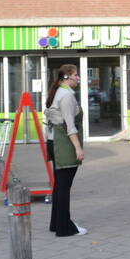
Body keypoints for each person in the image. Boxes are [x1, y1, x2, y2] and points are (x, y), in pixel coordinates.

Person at [44, 64, 87, 237]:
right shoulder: (66, 96)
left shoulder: (58, 92)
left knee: (59, 186)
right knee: (63, 187)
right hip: (63, 144)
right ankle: (64, 228)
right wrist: (78, 148)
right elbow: (70, 126)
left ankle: (57, 223)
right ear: (67, 77)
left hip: (55, 142)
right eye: (75, 75)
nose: (78, 78)